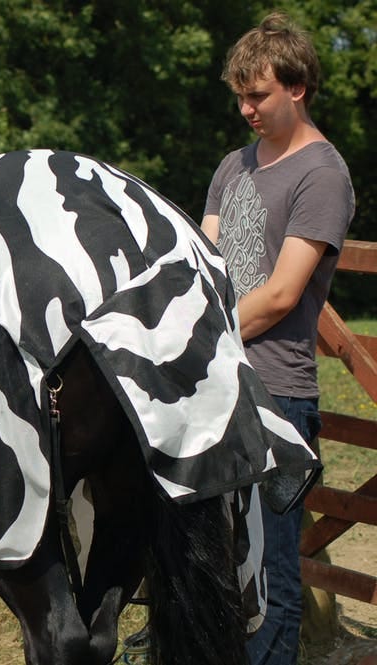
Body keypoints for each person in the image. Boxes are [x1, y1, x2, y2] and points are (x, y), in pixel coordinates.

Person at [202, 13, 355, 665]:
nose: (245, 109)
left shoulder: (323, 174)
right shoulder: (233, 164)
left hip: (275, 396)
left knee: (270, 581)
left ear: (297, 88)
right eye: (239, 95)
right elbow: (204, 260)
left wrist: (186, 337)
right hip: (212, 385)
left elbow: (283, 294)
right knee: (210, 566)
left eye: (257, 94)